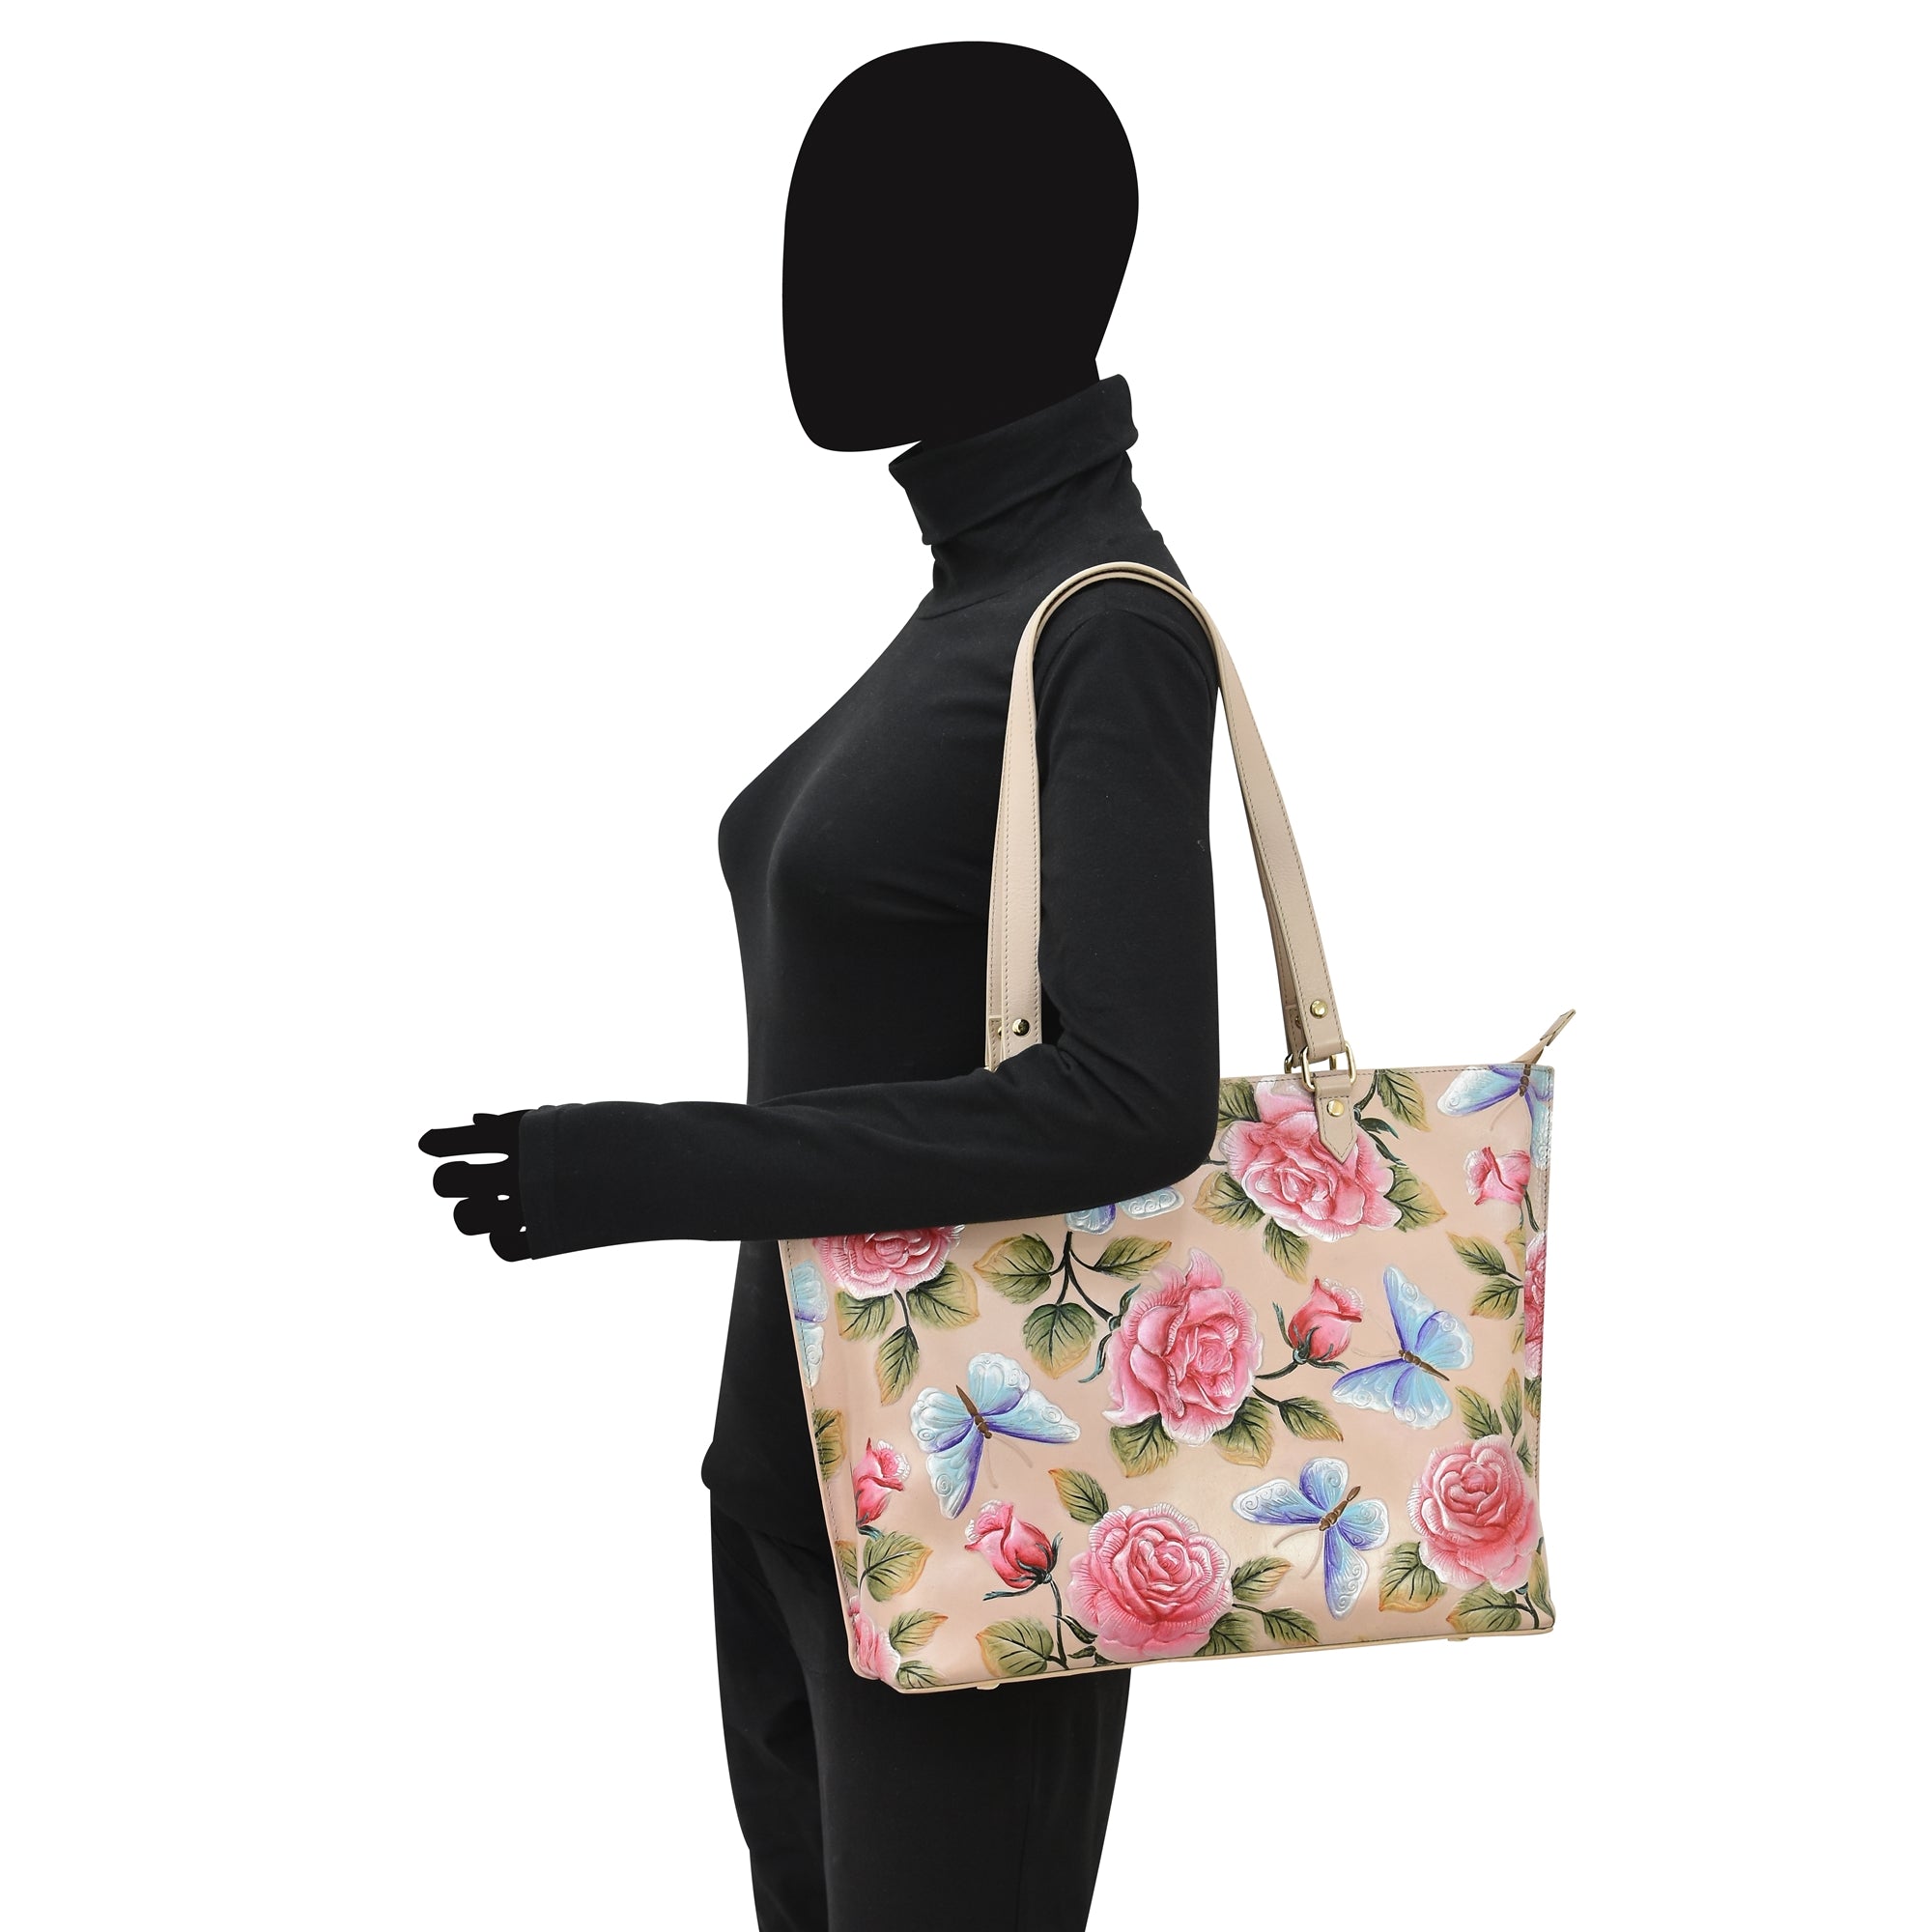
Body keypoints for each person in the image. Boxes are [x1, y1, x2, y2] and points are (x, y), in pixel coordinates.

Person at [420, 43, 1222, 1931]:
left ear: (1022, 273)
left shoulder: (1099, 617)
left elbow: (1130, 1098)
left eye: (876, 233)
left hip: (973, 1501)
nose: (805, 280)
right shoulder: (977, 595)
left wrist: (646, 1165)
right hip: (786, 1475)